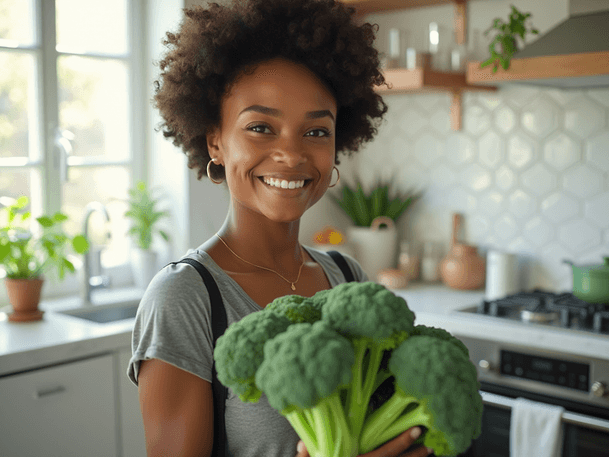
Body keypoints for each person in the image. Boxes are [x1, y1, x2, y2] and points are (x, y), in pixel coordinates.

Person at [127, 1, 431, 456]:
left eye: (315, 132)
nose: (291, 155)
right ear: (216, 140)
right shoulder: (186, 298)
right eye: (261, 127)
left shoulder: (346, 277)